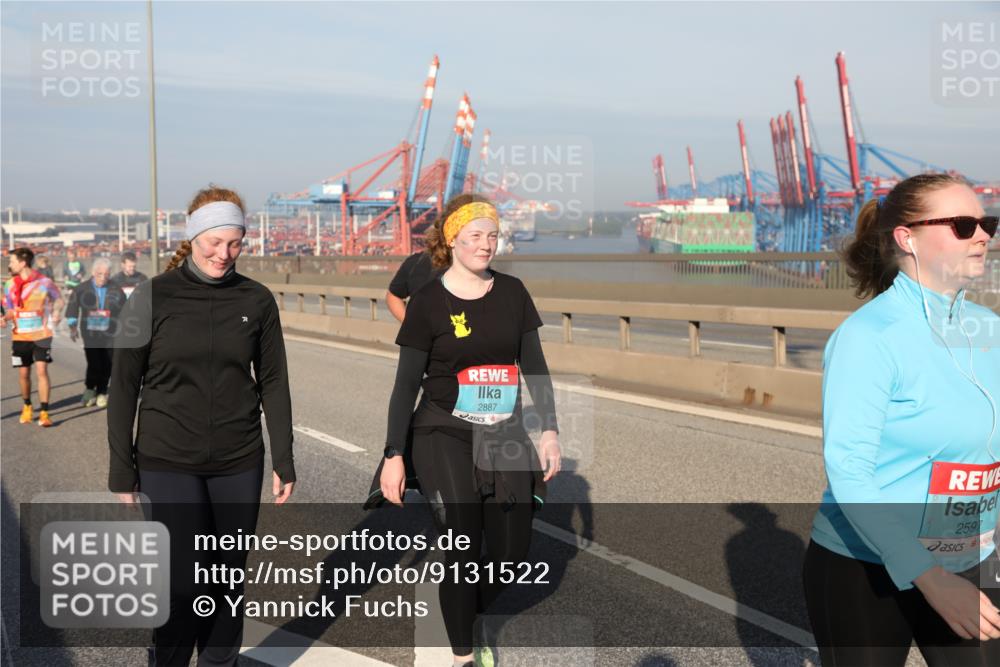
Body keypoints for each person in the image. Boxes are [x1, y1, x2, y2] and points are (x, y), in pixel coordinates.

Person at [803, 173, 1000, 666]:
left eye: (986, 222)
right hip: (863, 566)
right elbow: (849, 469)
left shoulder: (991, 329)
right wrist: (928, 576)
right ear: (906, 237)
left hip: (970, 556)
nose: (983, 235)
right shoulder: (869, 337)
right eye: (961, 224)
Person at [109, 185, 296, 667]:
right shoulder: (150, 296)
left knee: (227, 577)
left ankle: (219, 662)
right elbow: (124, 384)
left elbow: (273, 381)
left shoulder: (257, 300)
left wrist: (285, 457)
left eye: (235, 243)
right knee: (182, 579)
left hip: (238, 459)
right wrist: (120, 468)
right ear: (193, 236)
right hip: (167, 458)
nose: (224, 253)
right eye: (215, 242)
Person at [375, 193, 561, 667]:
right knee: (462, 535)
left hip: (504, 430)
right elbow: (405, 385)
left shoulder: (514, 292)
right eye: (475, 236)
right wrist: (395, 453)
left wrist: (550, 431)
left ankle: (463, 613)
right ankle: (462, 654)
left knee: (512, 553)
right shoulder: (429, 303)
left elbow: (535, 367)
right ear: (453, 239)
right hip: (443, 430)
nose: (486, 245)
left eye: (492, 236)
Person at [3, 247, 64, 427]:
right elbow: (11, 310)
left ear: (22, 263)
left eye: (12, 261)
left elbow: (58, 299)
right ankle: (27, 406)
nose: (10, 265)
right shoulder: (10, 285)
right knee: (24, 373)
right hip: (20, 336)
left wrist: (57, 312)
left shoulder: (44, 282)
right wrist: (4, 318)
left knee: (41, 371)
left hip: (42, 334)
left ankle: (44, 412)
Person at [65, 257, 126, 407]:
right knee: (94, 362)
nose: (103, 277)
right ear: (93, 272)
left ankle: (102, 392)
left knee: (108, 363)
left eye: (106, 274)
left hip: (110, 332)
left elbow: (125, 310)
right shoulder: (81, 288)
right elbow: (72, 308)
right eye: (99, 274)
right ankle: (90, 389)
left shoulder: (116, 288)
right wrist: (72, 327)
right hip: (90, 331)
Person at [386, 249, 442, 322]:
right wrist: (409, 324)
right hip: (422, 330)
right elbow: (393, 295)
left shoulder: (459, 263)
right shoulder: (415, 262)